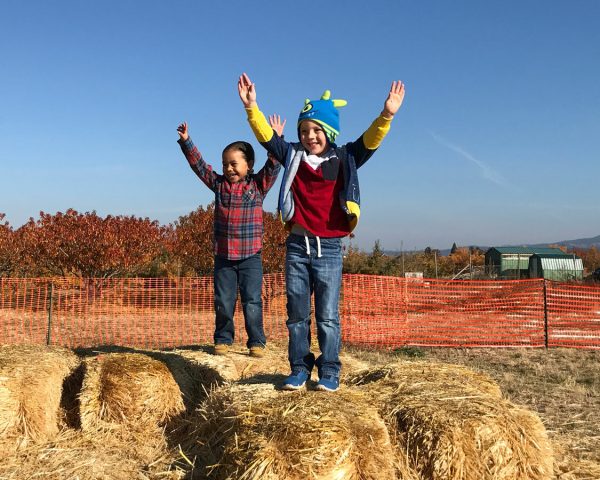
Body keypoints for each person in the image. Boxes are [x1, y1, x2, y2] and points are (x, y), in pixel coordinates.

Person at [237, 72, 405, 390]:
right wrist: (251, 108)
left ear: (329, 131)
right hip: (298, 246)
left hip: (329, 248)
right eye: (303, 130)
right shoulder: (294, 156)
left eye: (316, 129)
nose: (309, 136)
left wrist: (386, 116)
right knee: (297, 315)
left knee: (327, 316)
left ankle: (329, 370)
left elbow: (370, 141)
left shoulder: (344, 158)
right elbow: (266, 139)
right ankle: (299, 368)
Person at [176, 116, 286, 357]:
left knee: (252, 302)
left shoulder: (258, 186)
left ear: (249, 165)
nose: (229, 168)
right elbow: (200, 166)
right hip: (224, 256)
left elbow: (274, 165)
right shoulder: (218, 185)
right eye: (225, 164)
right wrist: (187, 142)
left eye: (234, 163)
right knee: (224, 302)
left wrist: (276, 139)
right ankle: (223, 339)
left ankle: (256, 341)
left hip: (251, 257)